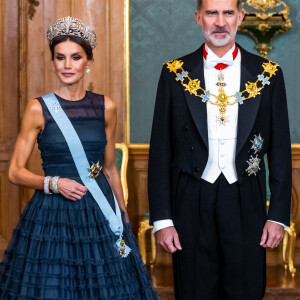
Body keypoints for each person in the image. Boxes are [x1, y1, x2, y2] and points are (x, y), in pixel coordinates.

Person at [0, 16, 158, 300]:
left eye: (76, 57)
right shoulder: (38, 109)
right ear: (53, 61)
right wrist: (55, 183)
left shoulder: (106, 107)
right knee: (54, 287)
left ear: (88, 61)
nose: (67, 65)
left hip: (99, 211)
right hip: (52, 213)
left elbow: (109, 170)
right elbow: (14, 172)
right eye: (60, 58)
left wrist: (122, 216)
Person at [148, 0, 292, 299]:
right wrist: (162, 219)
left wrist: (277, 215)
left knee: (246, 289)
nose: (220, 22)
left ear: (240, 16)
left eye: (228, 13)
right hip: (190, 195)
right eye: (212, 13)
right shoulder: (175, 73)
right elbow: (160, 151)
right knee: (194, 289)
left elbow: (279, 152)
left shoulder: (268, 73)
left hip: (245, 195)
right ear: (198, 17)